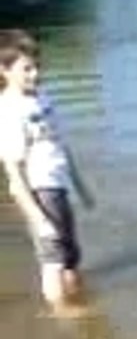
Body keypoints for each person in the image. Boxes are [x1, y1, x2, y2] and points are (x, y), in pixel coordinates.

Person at [0, 29, 95, 316]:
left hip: (59, 185)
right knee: (51, 258)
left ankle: (78, 298)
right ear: (3, 71)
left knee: (70, 254)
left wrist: (81, 186)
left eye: (37, 66)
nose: (35, 73)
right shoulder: (9, 110)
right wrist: (38, 218)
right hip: (40, 191)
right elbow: (15, 177)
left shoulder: (42, 96)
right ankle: (60, 311)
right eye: (26, 69)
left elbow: (60, 143)